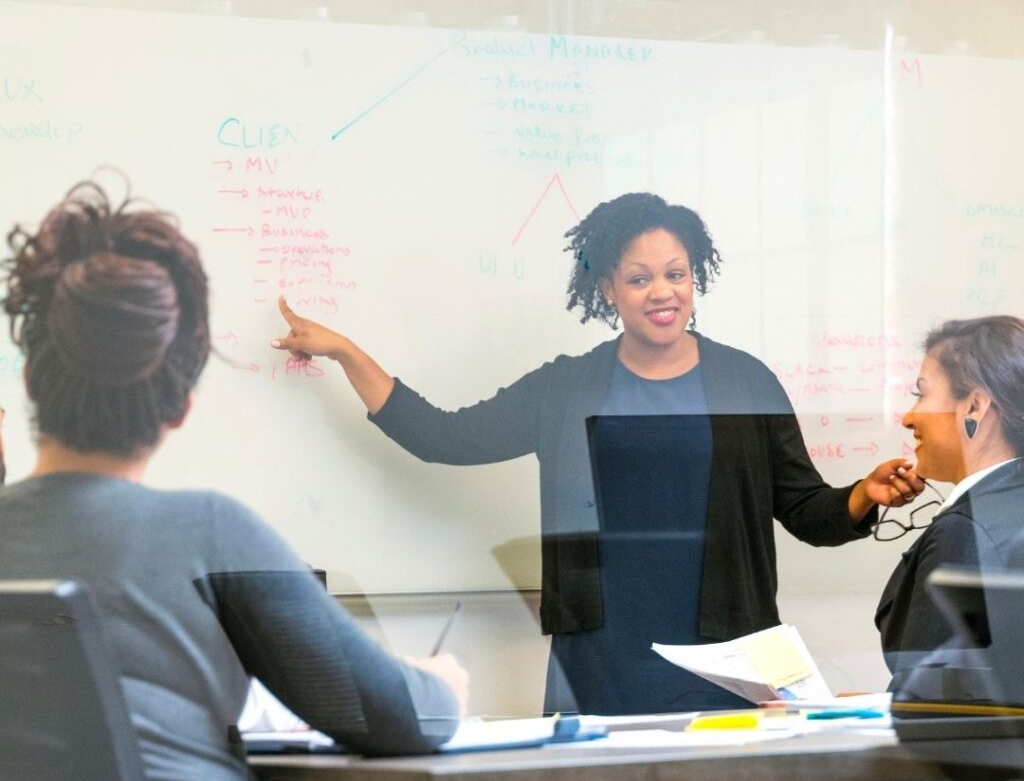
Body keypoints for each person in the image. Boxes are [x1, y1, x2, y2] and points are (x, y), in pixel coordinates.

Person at [0, 181, 489, 781]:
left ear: (31, 380)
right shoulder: (206, 533)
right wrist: (441, 684)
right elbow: (396, 718)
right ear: (181, 403)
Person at [272, 191, 920, 714]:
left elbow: (806, 508)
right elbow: (444, 437)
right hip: (603, 660)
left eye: (677, 274)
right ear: (609, 288)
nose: (662, 292)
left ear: (696, 278)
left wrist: (866, 493)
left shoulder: (744, 382)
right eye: (640, 278)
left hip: (727, 658)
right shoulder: (565, 388)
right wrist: (348, 354)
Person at [875, 315, 1024, 676]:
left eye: (921, 394)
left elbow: (939, 699)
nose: (909, 418)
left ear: (974, 407)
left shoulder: (966, 529)